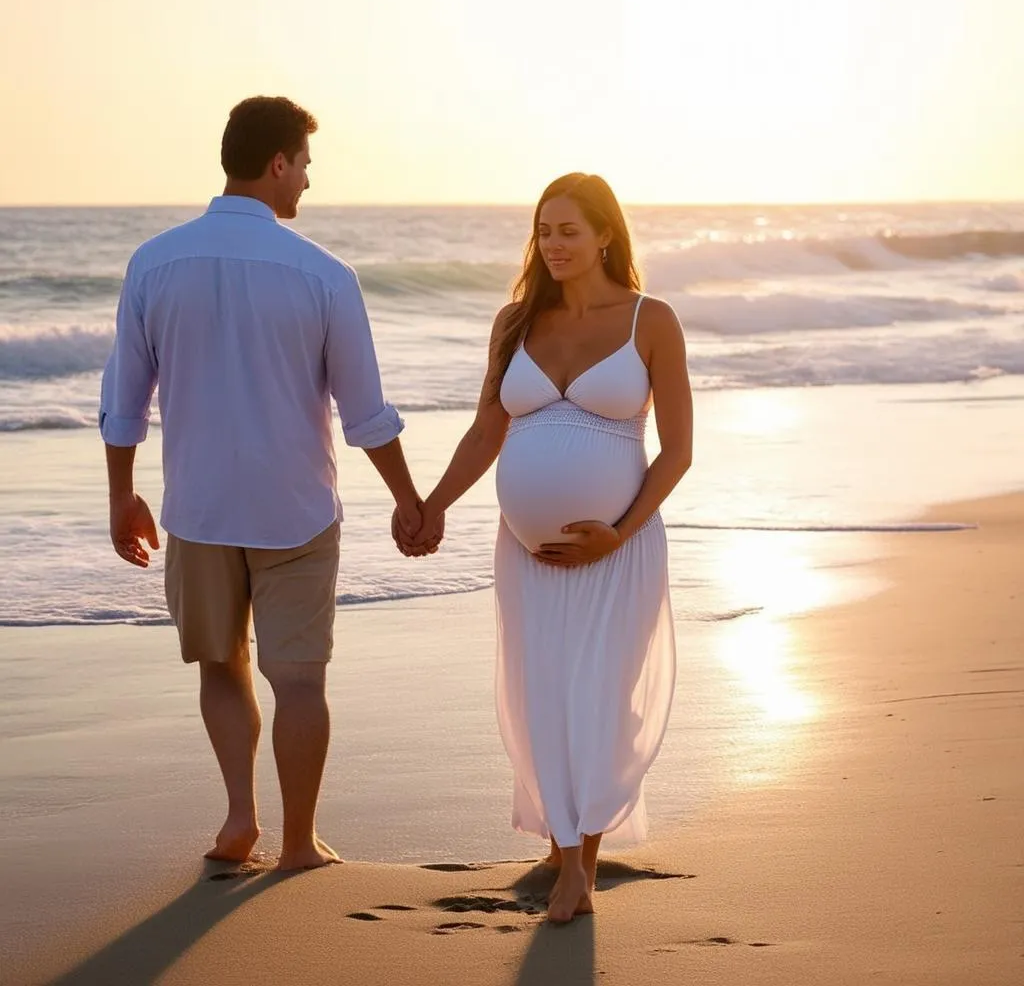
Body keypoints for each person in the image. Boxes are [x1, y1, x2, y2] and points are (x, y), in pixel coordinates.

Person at [100, 96, 440, 871]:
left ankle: (237, 822)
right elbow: (367, 415)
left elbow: (124, 402)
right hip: (297, 512)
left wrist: (122, 494)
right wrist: (409, 500)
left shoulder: (154, 261)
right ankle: (296, 845)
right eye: (306, 166)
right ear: (278, 162)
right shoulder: (325, 275)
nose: (309, 184)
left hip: (198, 507)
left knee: (222, 665)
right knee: (299, 681)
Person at [396, 172, 692, 921]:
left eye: (568, 230)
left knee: (597, 698)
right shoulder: (514, 322)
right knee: (541, 699)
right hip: (526, 557)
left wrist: (618, 533)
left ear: (605, 236)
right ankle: (564, 844)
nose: (553, 245)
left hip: (617, 553)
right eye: (543, 231)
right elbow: (486, 433)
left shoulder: (649, 320)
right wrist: (431, 504)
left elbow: (678, 452)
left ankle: (578, 870)